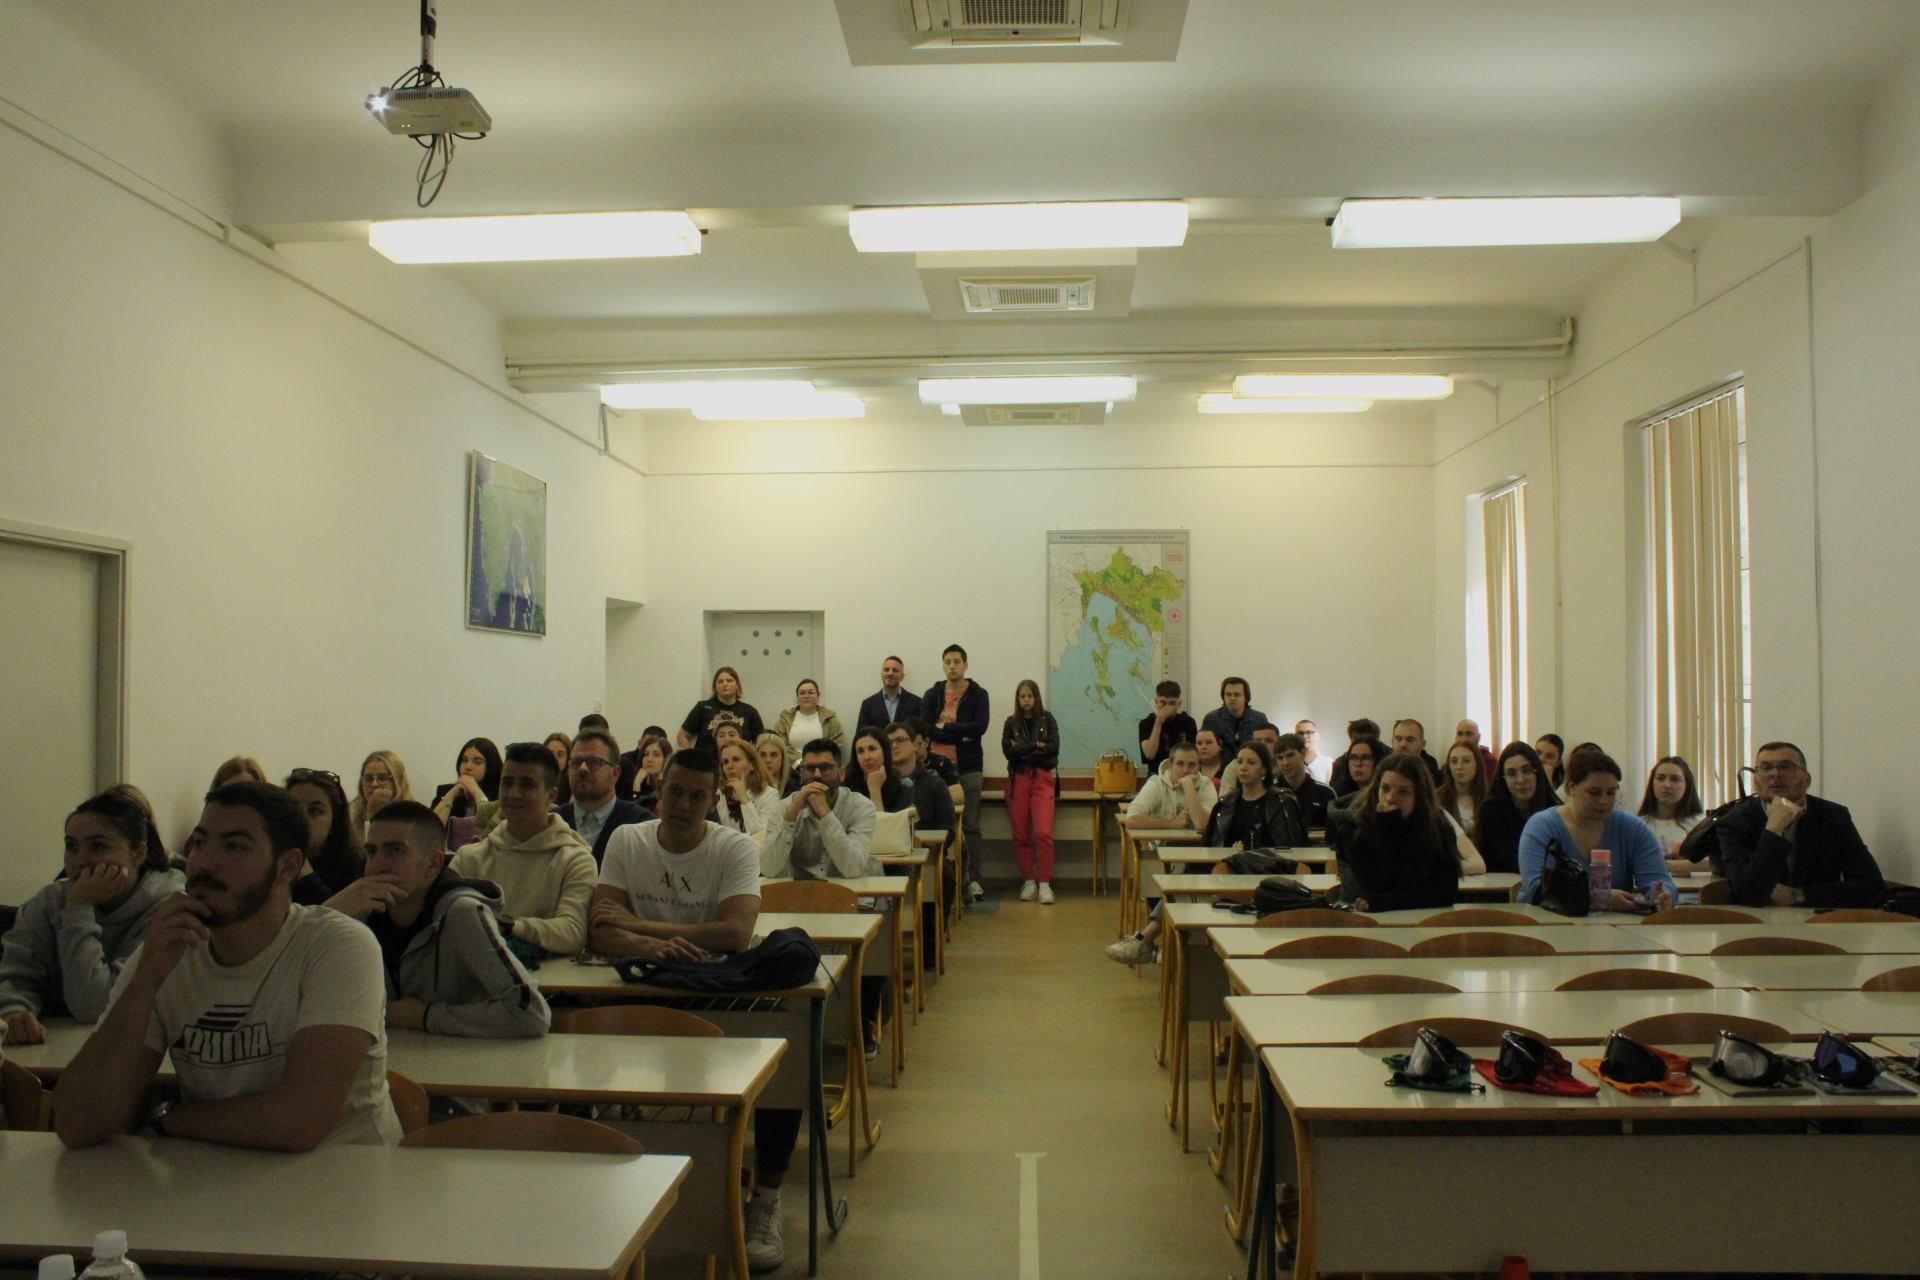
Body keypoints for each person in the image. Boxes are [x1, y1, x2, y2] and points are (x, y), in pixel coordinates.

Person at [54, 781, 401, 1149]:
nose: (205, 862)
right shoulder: (167, 950)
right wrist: (145, 980)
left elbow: (300, 1121)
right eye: (200, 843)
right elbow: (77, 1124)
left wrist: (170, 1120)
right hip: (219, 1170)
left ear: (287, 866)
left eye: (234, 846)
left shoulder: (337, 945)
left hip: (345, 1172)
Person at [588, 750, 787, 1272]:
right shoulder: (628, 840)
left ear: (713, 800)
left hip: (715, 990)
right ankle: (598, 1175)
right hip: (641, 987)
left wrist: (641, 926)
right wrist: (653, 948)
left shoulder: (734, 847)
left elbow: (736, 934)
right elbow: (601, 929)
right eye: (675, 791)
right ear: (660, 790)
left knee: (784, 1058)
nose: (683, 804)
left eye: (697, 796)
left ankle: (767, 1198)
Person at [328, 800, 549, 1037]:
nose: (377, 865)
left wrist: (424, 1017)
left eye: (395, 851)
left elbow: (532, 1014)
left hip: (459, 1058)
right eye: (371, 852)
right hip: (394, 1054)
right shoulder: (362, 913)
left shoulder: (461, 913)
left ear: (433, 865)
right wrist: (333, 912)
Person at [1, 787, 185, 1043]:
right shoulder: (49, 901)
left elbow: (95, 1006)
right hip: (53, 1051)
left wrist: (79, 909)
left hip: (129, 1051)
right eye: (71, 846)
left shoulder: (169, 912)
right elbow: (15, 978)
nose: (80, 860)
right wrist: (13, 1012)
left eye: (98, 846)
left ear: (138, 853)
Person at [449, 742, 597, 958]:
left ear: (551, 795)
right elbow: (445, 921)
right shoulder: (469, 858)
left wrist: (510, 927)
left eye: (527, 785)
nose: (513, 794)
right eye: (507, 783)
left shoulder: (576, 860)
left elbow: (572, 932)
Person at [1715, 741, 1886, 908]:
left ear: (1807, 780)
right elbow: (1750, 894)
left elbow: (1872, 887)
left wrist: (1799, 895)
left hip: (1815, 917)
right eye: (1766, 768)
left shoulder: (1833, 816)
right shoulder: (1734, 822)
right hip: (1757, 920)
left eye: (1786, 767)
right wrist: (1774, 828)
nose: (1775, 774)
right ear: (1755, 782)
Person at [1517, 750, 1676, 909]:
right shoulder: (1542, 827)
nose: (1603, 801)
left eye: (1611, 793)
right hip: (1547, 921)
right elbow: (1537, 890)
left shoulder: (1633, 829)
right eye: (1594, 793)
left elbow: (1659, 880)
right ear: (1571, 787)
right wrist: (1599, 898)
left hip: (1615, 922)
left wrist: (1661, 896)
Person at [1106, 743, 1218, 966]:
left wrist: (1188, 788)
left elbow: (1203, 825)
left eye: (1192, 765)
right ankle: (1166, 943)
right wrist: (1172, 824)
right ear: (1170, 765)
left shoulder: (1205, 785)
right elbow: (1132, 819)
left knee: (1183, 881)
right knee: (1179, 882)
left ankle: (1148, 940)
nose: (1185, 770)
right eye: (1180, 764)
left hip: (1200, 860)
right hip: (1162, 857)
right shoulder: (1157, 783)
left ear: (1199, 767)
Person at [1344, 753, 1463, 913]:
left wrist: (1383, 903)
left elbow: (1445, 893)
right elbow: (1378, 888)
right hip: (1373, 922)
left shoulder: (1438, 826)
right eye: (1385, 788)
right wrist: (1391, 829)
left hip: (1428, 919)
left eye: (1403, 792)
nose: (1390, 798)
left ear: (1419, 796)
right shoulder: (1355, 830)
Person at [922, 644, 989, 901]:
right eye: (948, 662)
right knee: (939, 825)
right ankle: (943, 881)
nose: (952, 666)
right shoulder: (932, 694)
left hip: (969, 767)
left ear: (965, 665)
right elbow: (927, 729)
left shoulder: (978, 694)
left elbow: (979, 727)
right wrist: (961, 733)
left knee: (970, 825)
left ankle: (973, 881)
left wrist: (946, 727)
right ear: (943, 666)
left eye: (957, 661)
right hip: (937, 769)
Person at [761, 740, 881, 880]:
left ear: (841, 773)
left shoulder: (861, 807)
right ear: (801, 774)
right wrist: (791, 815)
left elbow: (853, 869)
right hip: (802, 892)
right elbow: (768, 869)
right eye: (810, 769)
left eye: (825, 768)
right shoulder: (784, 808)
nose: (817, 775)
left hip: (852, 890)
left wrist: (824, 813)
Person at [553, 730, 653, 866]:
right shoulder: (552, 823)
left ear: (615, 773)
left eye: (593, 762)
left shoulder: (640, 825)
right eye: (576, 762)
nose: (582, 769)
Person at [1001, 679, 1060, 904]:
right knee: (1020, 834)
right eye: (1022, 696)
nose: (1026, 700)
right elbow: (1009, 753)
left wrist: (1024, 751)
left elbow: (1053, 749)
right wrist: (1035, 745)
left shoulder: (1048, 719)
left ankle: (1044, 884)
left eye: (1029, 696)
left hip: (1042, 780)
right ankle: (1029, 881)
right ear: (1018, 699)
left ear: (1036, 698)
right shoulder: (1011, 723)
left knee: (1043, 832)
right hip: (1019, 780)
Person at [1202, 742, 1308, 851]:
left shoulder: (1283, 802)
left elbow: (1294, 847)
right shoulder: (1225, 804)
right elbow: (1212, 845)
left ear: (1264, 769)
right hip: (1231, 860)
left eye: (1251, 763)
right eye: (1239, 762)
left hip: (1273, 860)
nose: (1243, 767)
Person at [1473, 742, 1556, 874]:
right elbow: (1509, 859)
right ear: (1503, 779)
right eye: (1511, 774)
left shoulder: (1553, 809)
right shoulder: (1491, 809)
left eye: (1526, 771)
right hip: (1499, 882)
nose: (1520, 780)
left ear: (1537, 772)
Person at [285, 767, 364, 895]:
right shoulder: (272, 862)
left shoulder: (357, 869)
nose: (301, 818)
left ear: (335, 820)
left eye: (314, 810)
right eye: (293, 808)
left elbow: (337, 908)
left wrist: (307, 880)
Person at [1636, 754, 1706, 872]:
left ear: (1687, 785)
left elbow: (1711, 863)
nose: (1667, 785)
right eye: (1660, 778)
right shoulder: (1638, 825)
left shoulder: (1700, 825)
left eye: (1675, 779)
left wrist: (1668, 865)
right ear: (1652, 783)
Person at [678, 666, 765, 754]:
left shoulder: (749, 711)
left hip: (739, 761)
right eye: (720, 681)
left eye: (729, 680)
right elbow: (681, 736)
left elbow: (762, 743)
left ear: (737, 685)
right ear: (715, 687)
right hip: (706, 761)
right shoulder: (703, 707)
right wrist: (689, 757)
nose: (725, 684)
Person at [715, 738, 784, 840]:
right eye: (725, 762)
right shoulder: (719, 796)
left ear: (752, 765)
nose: (730, 766)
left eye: (736, 759)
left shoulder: (769, 794)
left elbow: (762, 836)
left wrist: (743, 798)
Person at [772, 677, 847, 767]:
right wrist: (798, 762)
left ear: (818, 696)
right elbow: (779, 744)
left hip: (823, 767)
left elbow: (836, 745)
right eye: (802, 693)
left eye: (811, 692)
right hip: (791, 768)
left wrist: (816, 762)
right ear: (797, 697)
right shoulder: (785, 719)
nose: (806, 696)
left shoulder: (830, 718)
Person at [430, 738, 503, 824]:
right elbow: (431, 829)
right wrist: (451, 796)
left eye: (477, 762)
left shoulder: (500, 797)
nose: (468, 766)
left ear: (491, 766)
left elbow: (494, 828)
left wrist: (477, 793)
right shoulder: (444, 791)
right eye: (464, 760)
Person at [1272, 732, 1336, 829]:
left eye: (1290, 755)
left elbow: (1334, 833)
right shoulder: (1270, 792)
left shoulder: (1325, 793)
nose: (1285, 763)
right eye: (1280, 758)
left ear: (1303, 754)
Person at [348, 750, 411, 838]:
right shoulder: (350, 814)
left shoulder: (413, 817)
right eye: (368, 779)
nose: (374, 784)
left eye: (382, 778)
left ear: (397, 782)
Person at [1139, 680, 1198, 772]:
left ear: (1179, 703)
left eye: (1172, 703)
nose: (1167, 707)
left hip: (1183, 773)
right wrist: (1158, 722)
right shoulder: (1146, 723)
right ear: (1156, 702)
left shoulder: (1188, 722)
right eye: (1163, 702)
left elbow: (1193, 755)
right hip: (1156, 774)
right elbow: (1150, 754)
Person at [1199, 676, 1271, 754]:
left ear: (1246, 697)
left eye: (1237, 695)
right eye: (1228, 694)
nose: (1232, 698)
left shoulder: (1259, 718)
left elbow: (1265, 748)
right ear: (1223, 697)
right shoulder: (1212, 719)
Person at [857, 656, 924, 732]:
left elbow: (922, 734)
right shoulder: (868, 705)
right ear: (881, 675)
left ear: (902, 677)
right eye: (886, 669)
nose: (890, 673)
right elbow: (861, 736)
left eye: (895, 670)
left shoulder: (917, 703)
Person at [844, 725, 900, 813]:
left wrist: (875, 789)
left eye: (872, 749)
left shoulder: (903, 786)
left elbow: (882, 822)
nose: (866, 757)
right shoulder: (846, 787)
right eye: (860, 751)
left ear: (885, 752)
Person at [1436, 742, 1489, 836]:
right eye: (1454, 761)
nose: (1459, 767)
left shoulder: (1488, 799)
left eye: (1466, 761)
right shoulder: (1437, 799)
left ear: (1477, 764)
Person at [1219, 723, 1285, 798]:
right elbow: (1225, 800)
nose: (1263, 745)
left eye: (1269, 741)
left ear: (1278, 743)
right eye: (1257, 741)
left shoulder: (1284, 764)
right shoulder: (1235, 766)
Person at [1328, 720, 1383, 798]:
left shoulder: (1388, 762)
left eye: (1365, 758)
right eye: (1353, 758)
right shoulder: (1341, 763)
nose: (1358, 763)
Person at [624, 731, 673, 808]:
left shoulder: (670, 788)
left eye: (656, 755)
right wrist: (636, 785)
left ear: (666, 759)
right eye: (646, 754)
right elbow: (628, 811)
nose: (649, 759)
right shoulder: (631, 783)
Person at [1391, 719, 1444, 785]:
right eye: (1398, 739)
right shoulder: (1383, 770)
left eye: (1410, 740)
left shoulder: (1434, 777)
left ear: (1422, 744)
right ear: (1392, 742)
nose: (1403, 744)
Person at [754, 731, 793, 799]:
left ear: (783, 758)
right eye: (762, 755)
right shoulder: (747, 786)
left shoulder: (793, 788)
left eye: (773, 755)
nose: (768, 760)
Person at [1295, 719, 1333, 785]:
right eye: (1300, 733)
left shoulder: (1329, 763)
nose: (1304, 736)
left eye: (1309, 732)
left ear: (1317, 736)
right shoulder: (1289, 763)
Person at [543, 732, 574, 807]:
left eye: (560, 755)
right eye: (550, 753)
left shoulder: (573, 785)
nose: (554, 759)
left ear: (569, 757)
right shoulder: (537, 782)